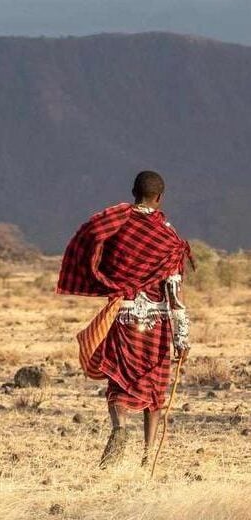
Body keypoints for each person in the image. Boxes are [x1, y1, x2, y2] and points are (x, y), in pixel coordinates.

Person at [57, 171, 192, 469]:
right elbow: (174, 291)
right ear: (160, 197)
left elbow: (95, 250)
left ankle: (119, 429)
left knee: (120, 379)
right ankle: (147, 456)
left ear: (133, 192)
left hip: (123, 316)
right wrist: (183, 337)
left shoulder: (116, 228)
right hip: (158, 323)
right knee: (154, 385)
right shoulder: (169, 238)